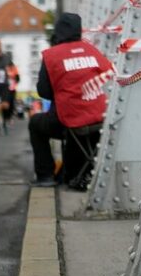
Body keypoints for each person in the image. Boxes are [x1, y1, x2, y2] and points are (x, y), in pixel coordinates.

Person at [30, 13, 113, 187]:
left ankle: (45, 176)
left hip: (69, 119)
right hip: (99, 116)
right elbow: (110, 74)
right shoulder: (92, 50)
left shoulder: (51, 55)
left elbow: (43, 91)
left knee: (36, 124)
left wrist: (62, 91)